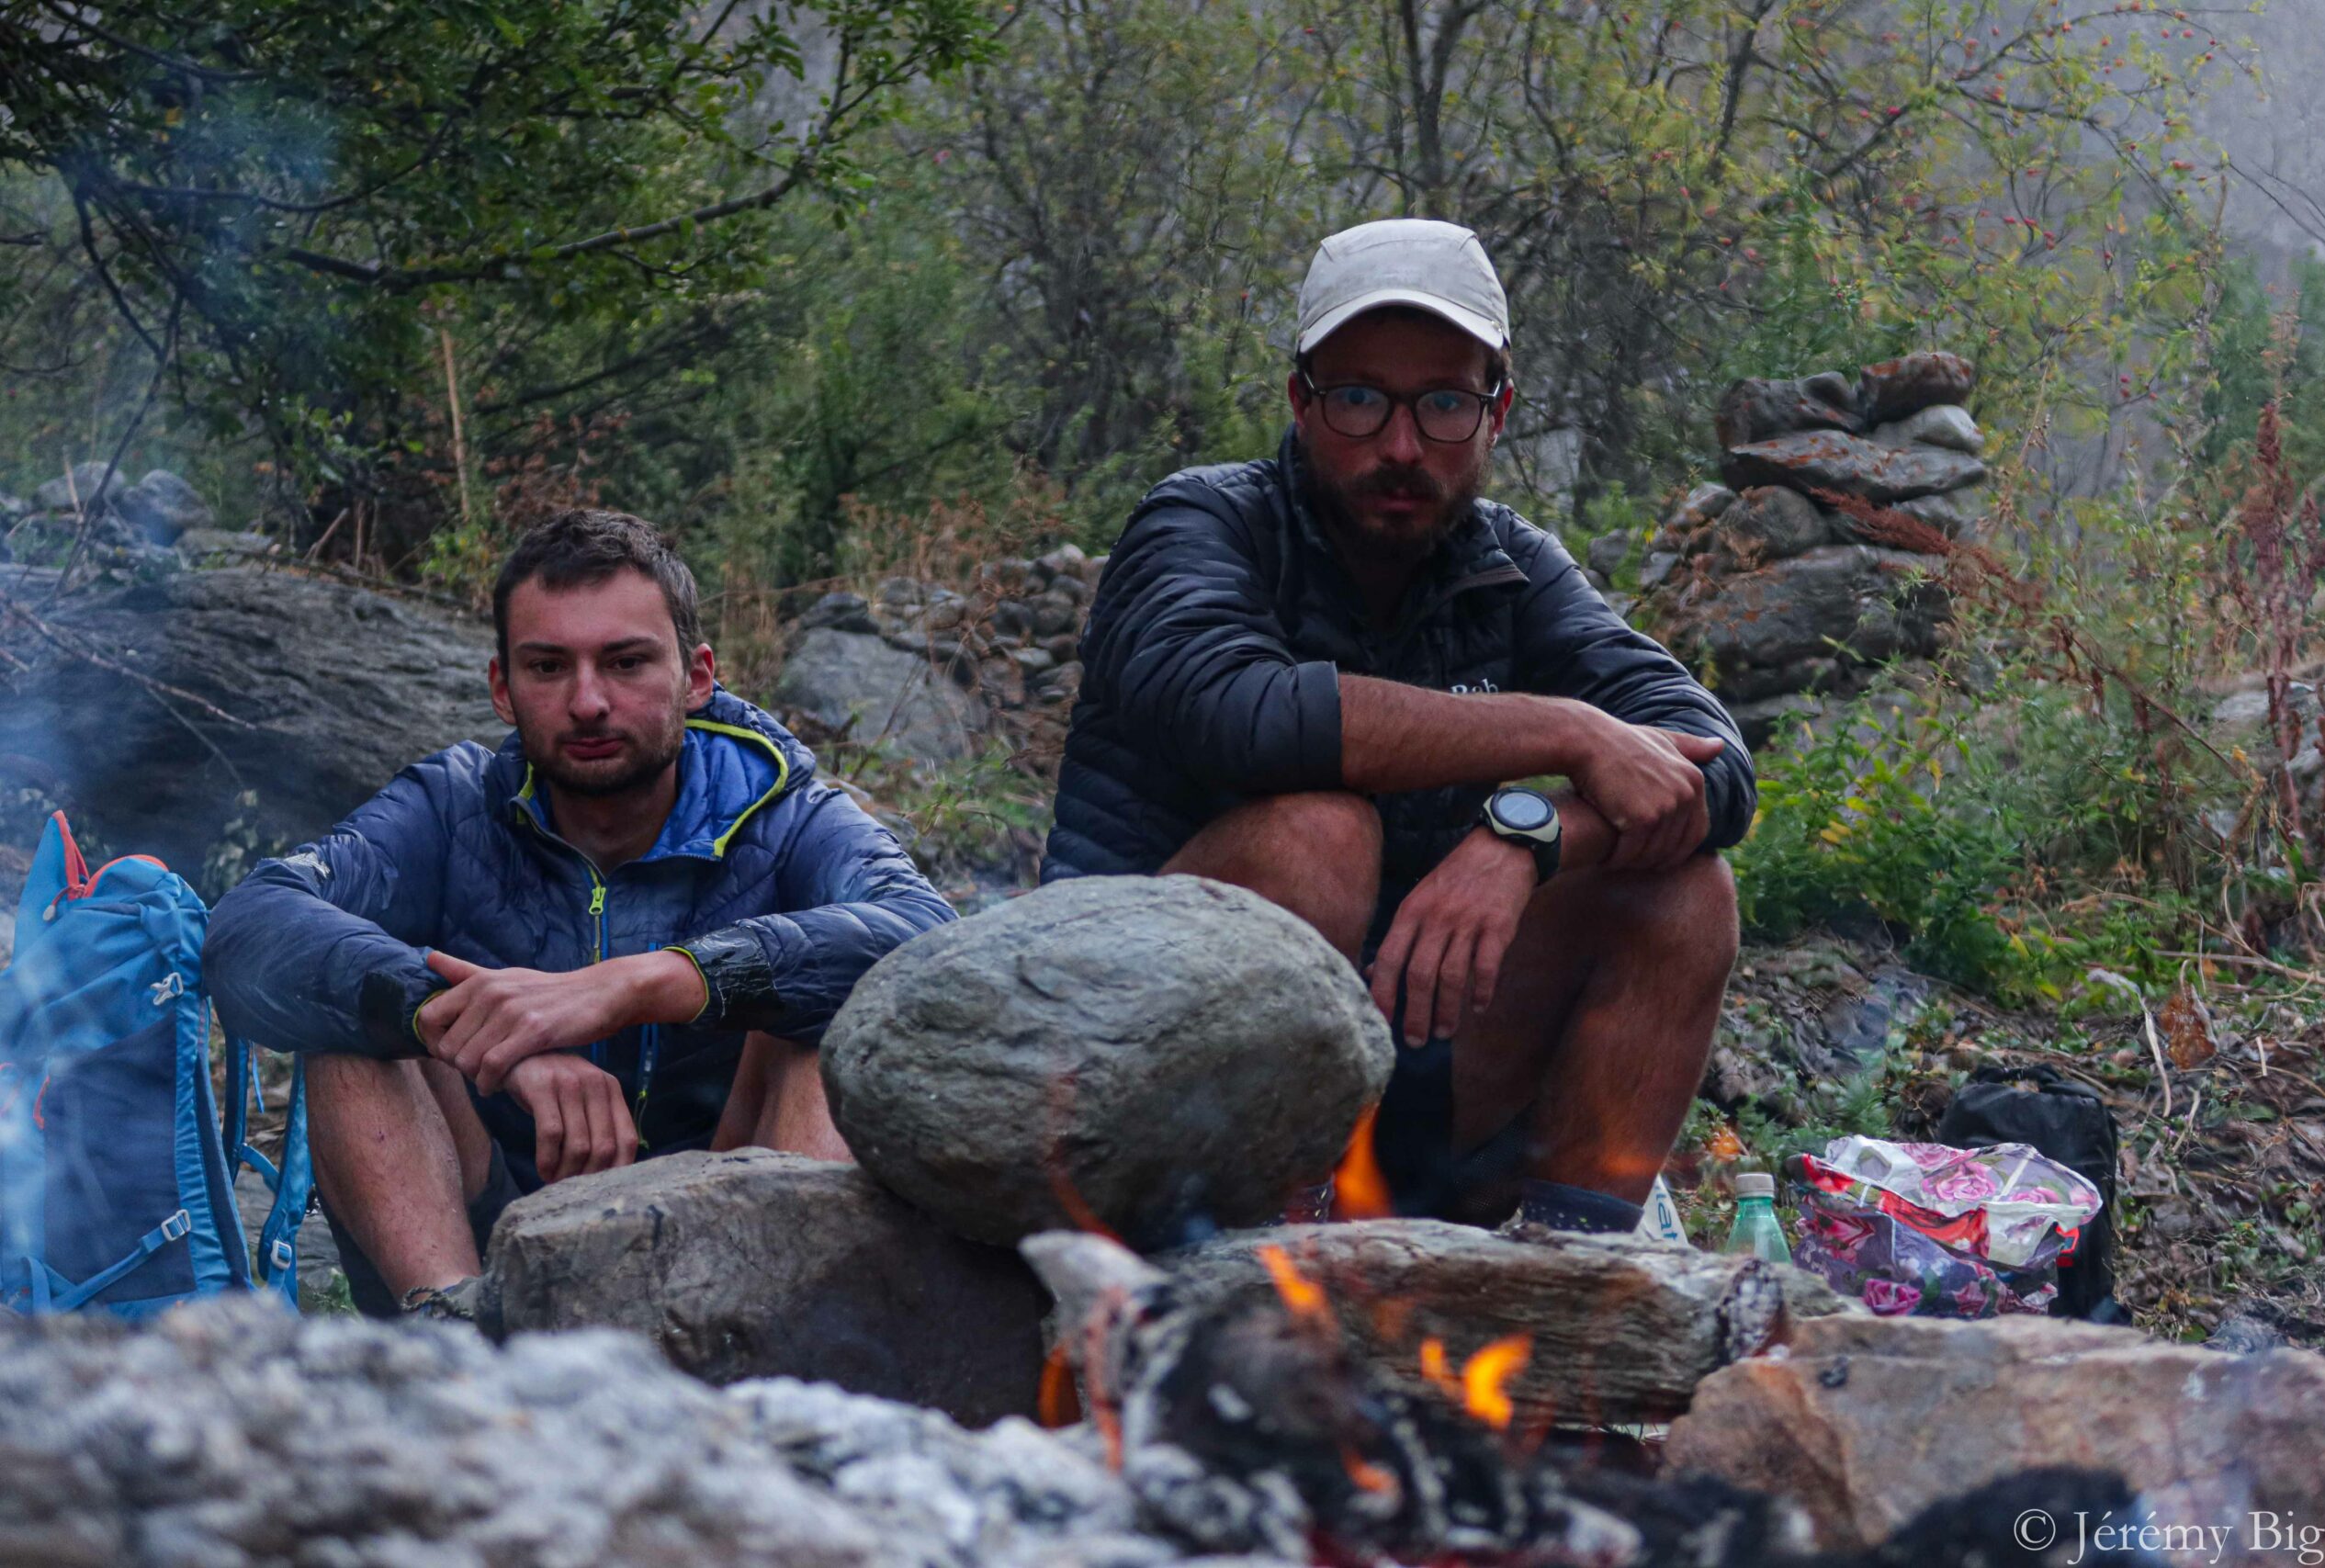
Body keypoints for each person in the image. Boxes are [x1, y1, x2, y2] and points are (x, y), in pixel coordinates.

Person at [1042, 219, 1753, 1231]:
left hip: (1417, 1069)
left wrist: (1527, 836)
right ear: (1300, 400)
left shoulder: (1512, 568)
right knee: (1318, 835)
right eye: (1360, 400)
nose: (1401, 445)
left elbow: (1705, 758)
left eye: (1445, 403)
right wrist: (1560, 730)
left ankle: (1571, 1312)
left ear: (1497, 411)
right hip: (1138, 1078)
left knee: (1683, 891)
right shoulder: (1200, 524)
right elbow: (1234, 710)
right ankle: (1251, 1280)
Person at [206, 509, 954, 1316]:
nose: (589, 700)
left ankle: (769, 1360)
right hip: (484, 1231)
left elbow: (931, 940)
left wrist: (653, 980)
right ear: (503, 687)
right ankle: (454, 1346)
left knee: (826, 1015)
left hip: (729, 1236)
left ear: (697, 677)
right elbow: (250, 923)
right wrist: (474, 1029)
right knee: (351, 1017)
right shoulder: (454, 806)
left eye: (627, 662)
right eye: (548, 666)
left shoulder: (787, 812)